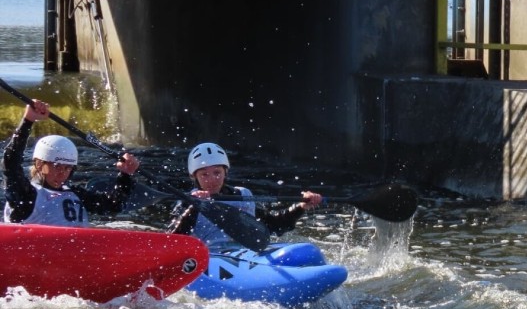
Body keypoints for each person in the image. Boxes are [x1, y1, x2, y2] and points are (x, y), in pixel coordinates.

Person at [2, 99, 140, 226]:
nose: (62, 173)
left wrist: (125, 175)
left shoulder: (75, 194)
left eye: (67, 168)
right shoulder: (25, 194)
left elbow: (113, 206)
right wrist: (28, 120)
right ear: (39, 164)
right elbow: (10, 164)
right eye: (57, 166)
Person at [168, 142, 323, 250]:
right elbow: (171, 240)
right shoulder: (186, 201)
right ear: (195, 177)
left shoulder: (242, 195)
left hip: (245, 255)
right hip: (209, 258)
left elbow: (274, 225)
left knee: (306, 251)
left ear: (225, 172)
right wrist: (194, 206)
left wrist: (302, 207)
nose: (212, 180)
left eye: (217, 172)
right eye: (204, 174)